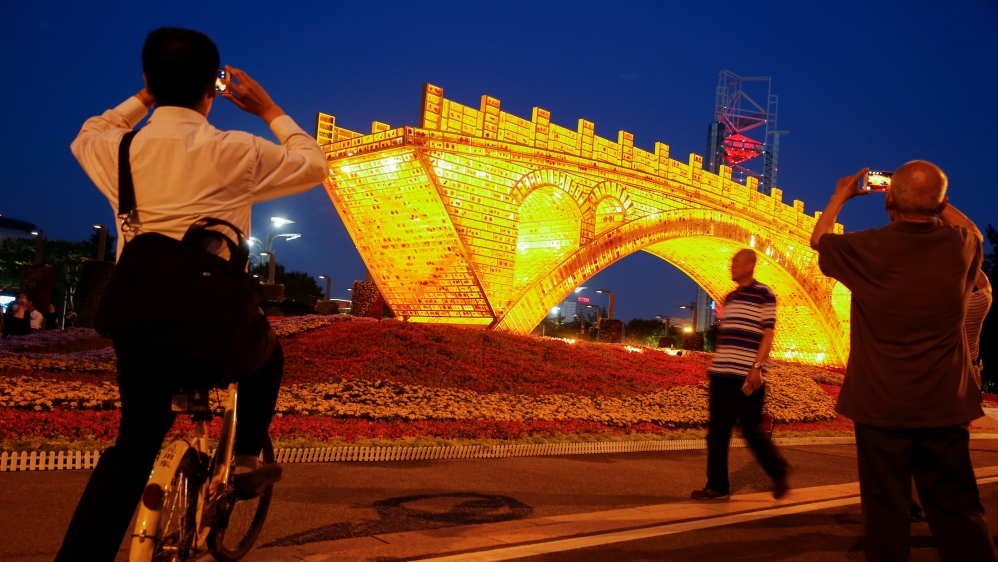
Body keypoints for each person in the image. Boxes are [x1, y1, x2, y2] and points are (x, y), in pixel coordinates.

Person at [56, 27, 327, 562]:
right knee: (267, 355)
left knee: (132, 446)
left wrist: (144, 98)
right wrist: (268, 108)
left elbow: (91, 129)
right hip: (215, 324)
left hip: (139, 320)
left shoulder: (120, 149)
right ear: (215, 88)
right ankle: (247, 459)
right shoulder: (238, 151)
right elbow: (313, 163)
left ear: (148, 81)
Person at [810, 161, 995, 562]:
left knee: (885, 516)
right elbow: (976, 232)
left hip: (880, 409)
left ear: (889, 197)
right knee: (958, 512)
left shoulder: (864, 247)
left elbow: (819, 238)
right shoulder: (961, 247)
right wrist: (940, 202)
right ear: (941, 201)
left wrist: (840, 196)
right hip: (944, 407)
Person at [691, 249, 789, 501]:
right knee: (717, 432)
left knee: (750, 430)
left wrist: (757, 367)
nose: (731, 266)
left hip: (747, 376)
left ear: (750, 265)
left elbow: (768, 333)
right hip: (722, 374)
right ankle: (717, 486)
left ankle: (779, 472)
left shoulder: (764, 294)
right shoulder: (730, 298)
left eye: (736, 262)